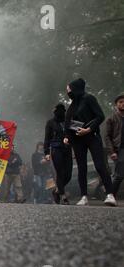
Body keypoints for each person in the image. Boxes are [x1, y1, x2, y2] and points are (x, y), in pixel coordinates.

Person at [63, 78, 117, 207]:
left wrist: (88, 129)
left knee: (99, 165)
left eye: (69, 89)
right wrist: (66, 136)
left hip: (92, 136)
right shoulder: (72, 105)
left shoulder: (89, 99)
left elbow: (100, 116)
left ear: (76, 88)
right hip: (77, 140)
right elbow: (67, 123)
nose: (68, 92)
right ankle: (84, 196)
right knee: (82, 168)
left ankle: (110, 195)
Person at [44, 104, 73, 205]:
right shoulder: (50, 123)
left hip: (67, 149)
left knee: (68, 174)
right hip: (56, 149)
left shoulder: (68, 122)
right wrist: (46, 152)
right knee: (60, 173)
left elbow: (72, 134)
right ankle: (63, 196)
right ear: (54, 111)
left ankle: (56, 191)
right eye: (58, 110)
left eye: (62, 110)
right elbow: (47, 138)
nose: (60, 112)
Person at [105, 94, 124, 197]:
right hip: (119, 150)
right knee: (119, 175)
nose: (123, 104)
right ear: (116, 105)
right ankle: (110, 195)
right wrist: (112, 152)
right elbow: (107, 137)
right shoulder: (111, 119)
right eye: (120, 102)